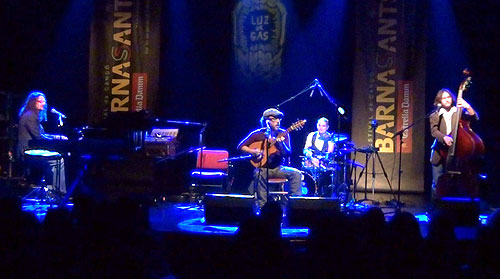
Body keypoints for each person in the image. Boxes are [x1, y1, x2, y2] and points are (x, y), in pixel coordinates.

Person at [237, 108, 302, 208]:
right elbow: (241, 146)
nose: (278, 122)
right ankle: (262, 206)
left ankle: (295, 206)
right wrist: (253, 151)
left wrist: (281, 143)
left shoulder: (283, 133)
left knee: (296, 174)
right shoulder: (258, 134)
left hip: (279, 168)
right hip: (263, 168)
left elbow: (288, 153)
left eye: (279, 119)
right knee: (258, 173)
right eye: (274, 119)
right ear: (266, 121)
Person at [429, 88, 478, 197]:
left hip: (456, 152)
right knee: (437, 183)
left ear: (452, 98)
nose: (446, 100)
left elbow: (474, 117)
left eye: (448, 97)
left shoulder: (458, 112)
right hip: (439, 152)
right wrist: (444, 138)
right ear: (439, 101)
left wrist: (467, 106)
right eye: (444, 98)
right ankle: (434, 208)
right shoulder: (435, 115)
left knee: (457, 184)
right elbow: (434, 131)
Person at [17, 91, 68, 193]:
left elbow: (42, 135)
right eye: (39, 101)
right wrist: (58, 141)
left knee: (57, 157)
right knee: (57, 160)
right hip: (27, 152)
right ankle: (55, 192)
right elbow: (39, 137)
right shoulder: (30, 116)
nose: (43, 103)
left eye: (44, 101)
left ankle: (54, 191)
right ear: (32, 102)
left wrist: (58, 137)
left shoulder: (32, 115)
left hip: (30, 150)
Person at [302, 117, 335, 196]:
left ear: (327, 127)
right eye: (319, 125)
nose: (321, 127)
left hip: (323, 164)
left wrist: (321, 161)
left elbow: (330, 153)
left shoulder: (330, 137)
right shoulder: (312, 135)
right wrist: (310, 156)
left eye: (323, 126)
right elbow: (305, 149)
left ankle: (322, 193)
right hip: (311, 162)